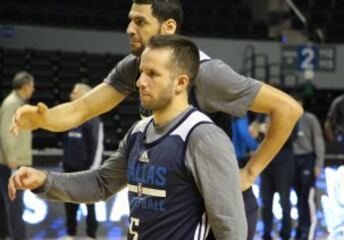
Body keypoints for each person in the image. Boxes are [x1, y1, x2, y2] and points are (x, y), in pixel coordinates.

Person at [10, 0, 303, 238]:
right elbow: (82, 110)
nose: (129, 29)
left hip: (211, 201)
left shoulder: (208, 75)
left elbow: (288, 109)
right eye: (130, 19)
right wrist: (42, 119)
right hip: (170, 190)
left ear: (169, 27)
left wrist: (250, 173)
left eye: (140, 21)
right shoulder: (136, 76)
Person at [9, 34, 247, 240]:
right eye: (142, 71)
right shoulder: (138, 132)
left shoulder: (204, 138)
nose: (140, 82)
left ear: (181, 82)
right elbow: (101, 183)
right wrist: (44, 180)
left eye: (152, 74)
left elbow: (231, 229)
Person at [61, 83, 104, 239]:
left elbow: (97, 146)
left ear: (85, 95)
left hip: (87, 171)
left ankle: (91, 235)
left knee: (90, 205)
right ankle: (70, 233)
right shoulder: (69, 116)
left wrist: (93, 170)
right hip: (69, 169)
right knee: (69, 204)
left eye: (75, 92)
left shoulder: (93, 118)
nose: (71, 94)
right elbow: (65, 142)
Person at [0, 71, 35, 240]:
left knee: (12, 204)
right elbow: (7, 133)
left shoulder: (18, 103)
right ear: (25, 86)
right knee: (15, 205)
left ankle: (8, 235)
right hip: (11, 164)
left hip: (13, 162)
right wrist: (12, 158)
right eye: (32, 85)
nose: (33, 89)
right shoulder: (12, 104)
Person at [258, 114, 298, 240]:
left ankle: (286, 234)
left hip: (283, 165)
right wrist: (258, 131)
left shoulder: (288, 115)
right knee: (266, 203)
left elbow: (291, 138)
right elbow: (255, 133)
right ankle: (266, 233)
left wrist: (270, 130)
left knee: (285, 202)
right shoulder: (261, 115)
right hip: (266, 164)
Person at [293, 95, 325, 240]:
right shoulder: (286, 117)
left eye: (296, 101)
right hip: (291, 159)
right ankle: (300, 228)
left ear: (301, 102)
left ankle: (307, 228)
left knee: (306, 197)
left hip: (307, 159)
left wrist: (318, 163)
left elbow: (318, 140)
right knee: (297, 196)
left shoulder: (310, 119)